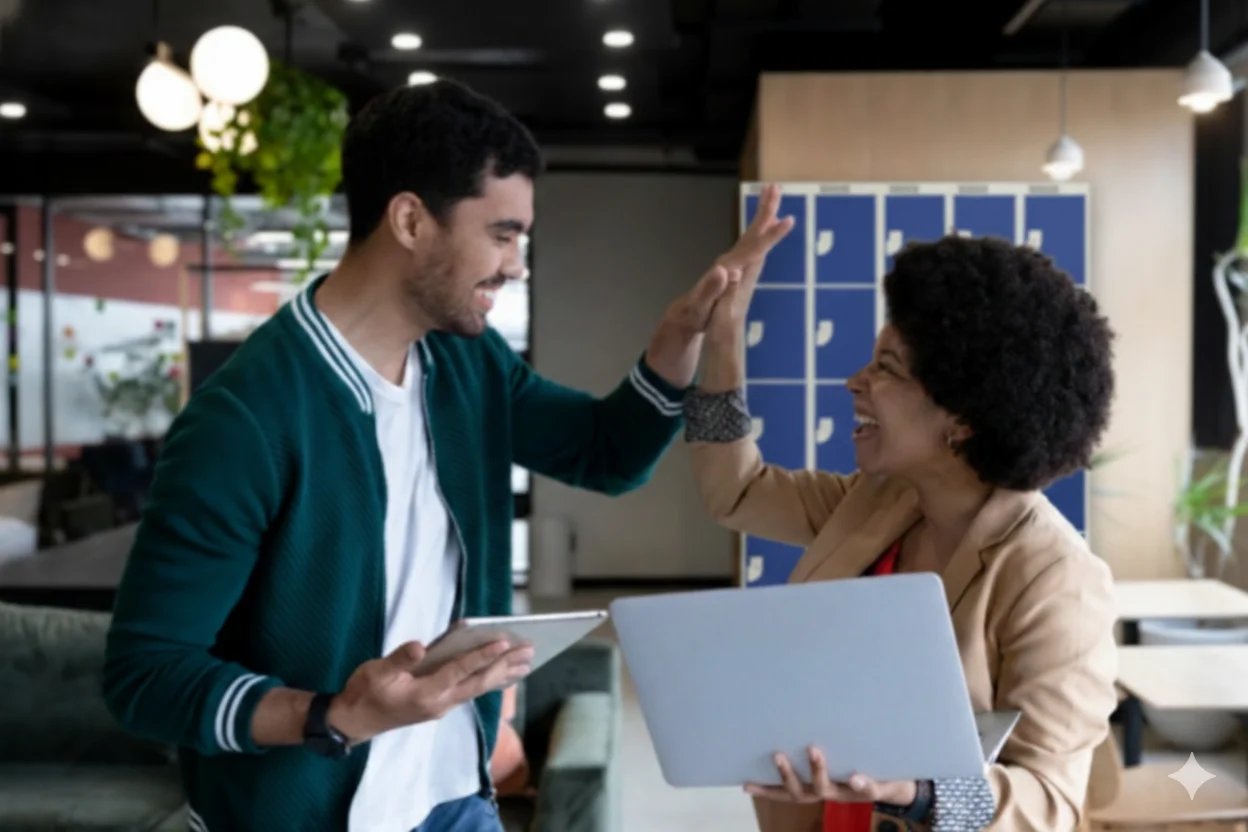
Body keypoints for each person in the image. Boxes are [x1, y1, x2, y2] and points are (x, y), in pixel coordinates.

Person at [102, 79, 775, 832]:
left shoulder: (466, 363)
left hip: (455, 803)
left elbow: (605, 454)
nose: (517, 264)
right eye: (502, 233)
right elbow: (145, 677)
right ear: (411, 219)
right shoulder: (245, 420)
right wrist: (332, 714)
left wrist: (681, 336)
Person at [685, 186, 1118, 831]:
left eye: (886, 368)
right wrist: (722, 344)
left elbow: (1049, 806)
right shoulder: (877, 504)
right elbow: (737, 492)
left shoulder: (1055, 579)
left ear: (963, 418)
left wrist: (915, 791)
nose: (854, 381)